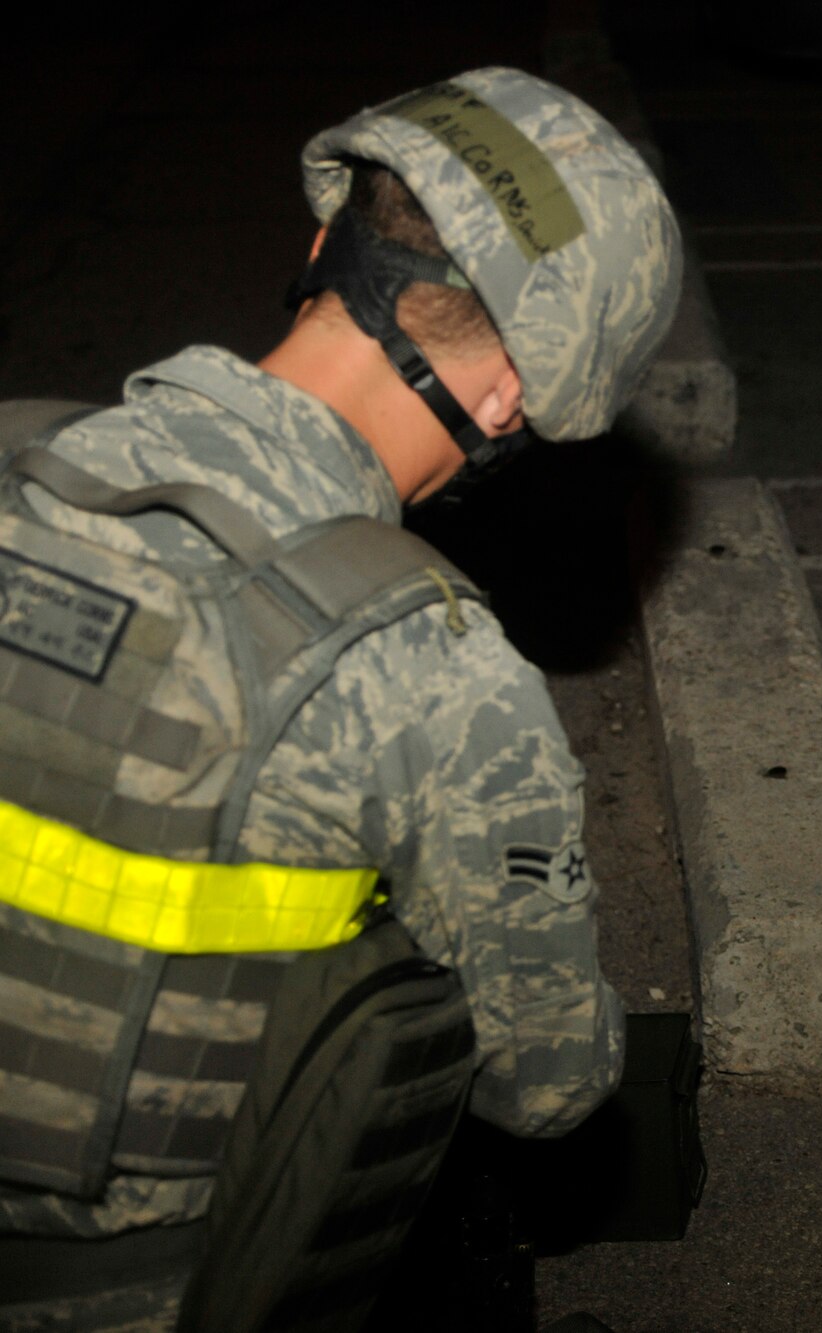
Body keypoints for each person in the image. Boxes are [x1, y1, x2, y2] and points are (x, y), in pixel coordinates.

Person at [0, 69, 681, 1330]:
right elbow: (548, 1081)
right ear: (507, 401)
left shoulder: (18, 456)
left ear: (321, 244)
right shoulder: (431, 669)